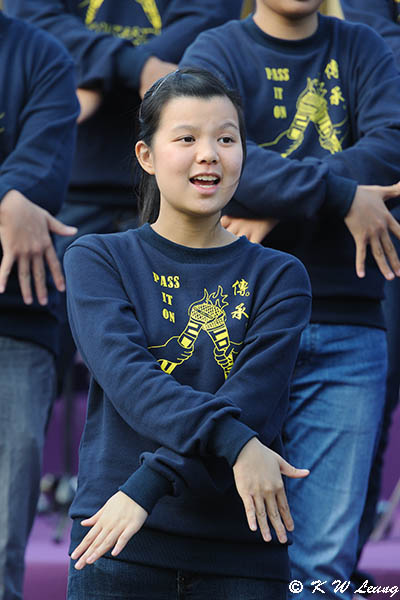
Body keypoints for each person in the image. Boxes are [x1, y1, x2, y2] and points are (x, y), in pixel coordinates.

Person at [63, 67, 312, 600]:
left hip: (241, 554)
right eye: (186, 138)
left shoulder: (281, 274)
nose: (209, 154)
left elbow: (254, 400)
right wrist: (238, 444)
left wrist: (147, 486)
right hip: (117, 545)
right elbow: (134, 383)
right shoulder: (98, 258)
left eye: (226, 138)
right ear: (146, 157)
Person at [179, 1, 400, 598]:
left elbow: (391, 153)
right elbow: (208, 161)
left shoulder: (366, 50)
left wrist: (273, 200)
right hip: (235, 325)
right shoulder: (214, 52)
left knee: (322, 565)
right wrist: (340, 194)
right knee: (213, 545)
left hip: (349, 324)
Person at [4, 0, 245, 384]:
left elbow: (207, 20)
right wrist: (138, 69)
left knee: (184, 369)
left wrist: (99, 71)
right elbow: (34, 18)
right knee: (33, 382)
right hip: (58, 194)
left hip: (177, 192)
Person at [0, 12, 79, 600]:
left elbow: (42, 180)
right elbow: (20, 197)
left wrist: (22, 199)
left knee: (4, 531)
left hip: (18, 315)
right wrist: (8, 200)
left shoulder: (44, 56)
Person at [340, 0, 400, 592]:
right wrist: (334, 190)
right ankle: (338, 567)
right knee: (372, 405)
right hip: (382, 226)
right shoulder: (362, 32)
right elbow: (380, 47)